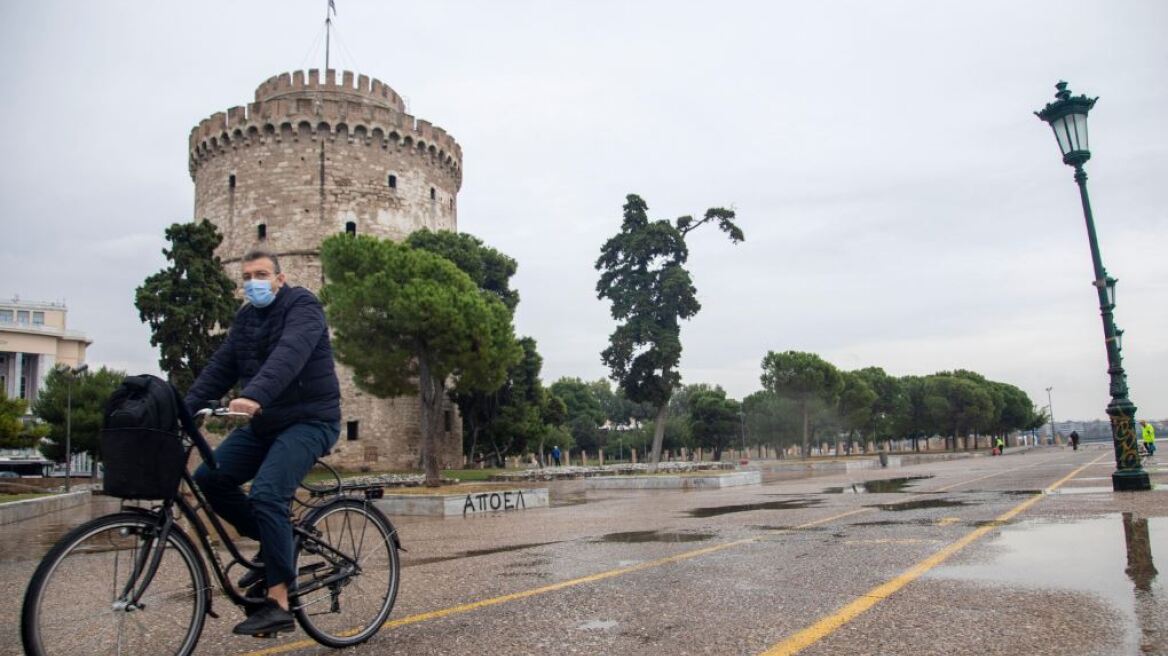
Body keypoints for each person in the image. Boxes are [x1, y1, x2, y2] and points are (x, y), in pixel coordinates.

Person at [185, 250, 341, 637]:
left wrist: (254, 394)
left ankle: (278, 602)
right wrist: (181, 410)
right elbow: (221, 366)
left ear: (280, 278)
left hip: (311, 420)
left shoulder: (303, 306)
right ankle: (278, 544)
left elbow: (290, 354)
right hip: (265, 423)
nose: (253, 282)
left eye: (261, 274)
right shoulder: (246, 319)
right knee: (210, 477)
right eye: (247, 276)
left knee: (268, 494)